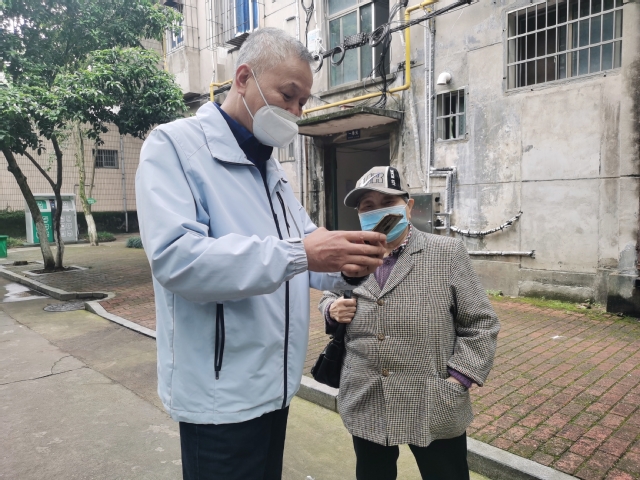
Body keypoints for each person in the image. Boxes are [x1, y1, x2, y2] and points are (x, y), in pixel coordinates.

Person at [135, 28, 387, 480]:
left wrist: (349, 266)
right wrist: (303, 253)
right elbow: (179, 260)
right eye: (287, 96)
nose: (295, 112)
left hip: (276, 388)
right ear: (243, 78)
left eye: (302, 102)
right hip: (220, 397)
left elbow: (307, 250)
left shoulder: (272, 169)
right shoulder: (175, 147)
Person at [319, 166, 500, 480]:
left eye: (388, 202)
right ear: (359, 214)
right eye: (368, 206)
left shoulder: (446, 252)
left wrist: (459, 379)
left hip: (432, 397)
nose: (378, 211)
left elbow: (481, 323)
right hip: (367, 394)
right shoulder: (351, 256)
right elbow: (328, 295)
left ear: (408, 206)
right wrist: (330, 308)